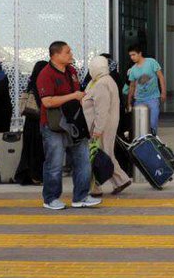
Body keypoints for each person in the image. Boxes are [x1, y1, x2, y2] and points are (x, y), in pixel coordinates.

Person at [37, 41, 100, 210]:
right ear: (55, 55)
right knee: (55, 163)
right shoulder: (45, 74)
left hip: (74, 123)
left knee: (83, 160)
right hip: (54, 125)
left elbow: (77, 94)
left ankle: (81, 196)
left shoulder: (72, 71)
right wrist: (73, 96)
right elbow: (47, 101)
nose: (71, 54)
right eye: (67, 52)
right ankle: (50, 199)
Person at [83, 55, 132, 195]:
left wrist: (98, 129)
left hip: (101, 126)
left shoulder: (102, 83)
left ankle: (95, 188)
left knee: (96, 156)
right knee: (105, 154)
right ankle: (120, 181)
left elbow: (101, 109)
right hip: (101, 125)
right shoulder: (98, 81)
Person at [14, 61, 47, 186]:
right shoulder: (41, 84)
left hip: (29, 122)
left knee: (29, 149)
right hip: (38, 121)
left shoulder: (31, 83)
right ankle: (36, 176)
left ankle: (30, 174)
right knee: (38, 150)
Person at [126, 45, 166, 134]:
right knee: (139, 126)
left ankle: (152, 139)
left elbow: (161, 77)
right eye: (130, 55)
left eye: (133, 55)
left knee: (152, 123)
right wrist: (129, 102)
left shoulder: (151, 62)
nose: (132, 57)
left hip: (153, 98)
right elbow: (132, 86)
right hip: (139, 99)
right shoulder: (133, 70)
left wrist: (163, 92)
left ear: (140, 53)